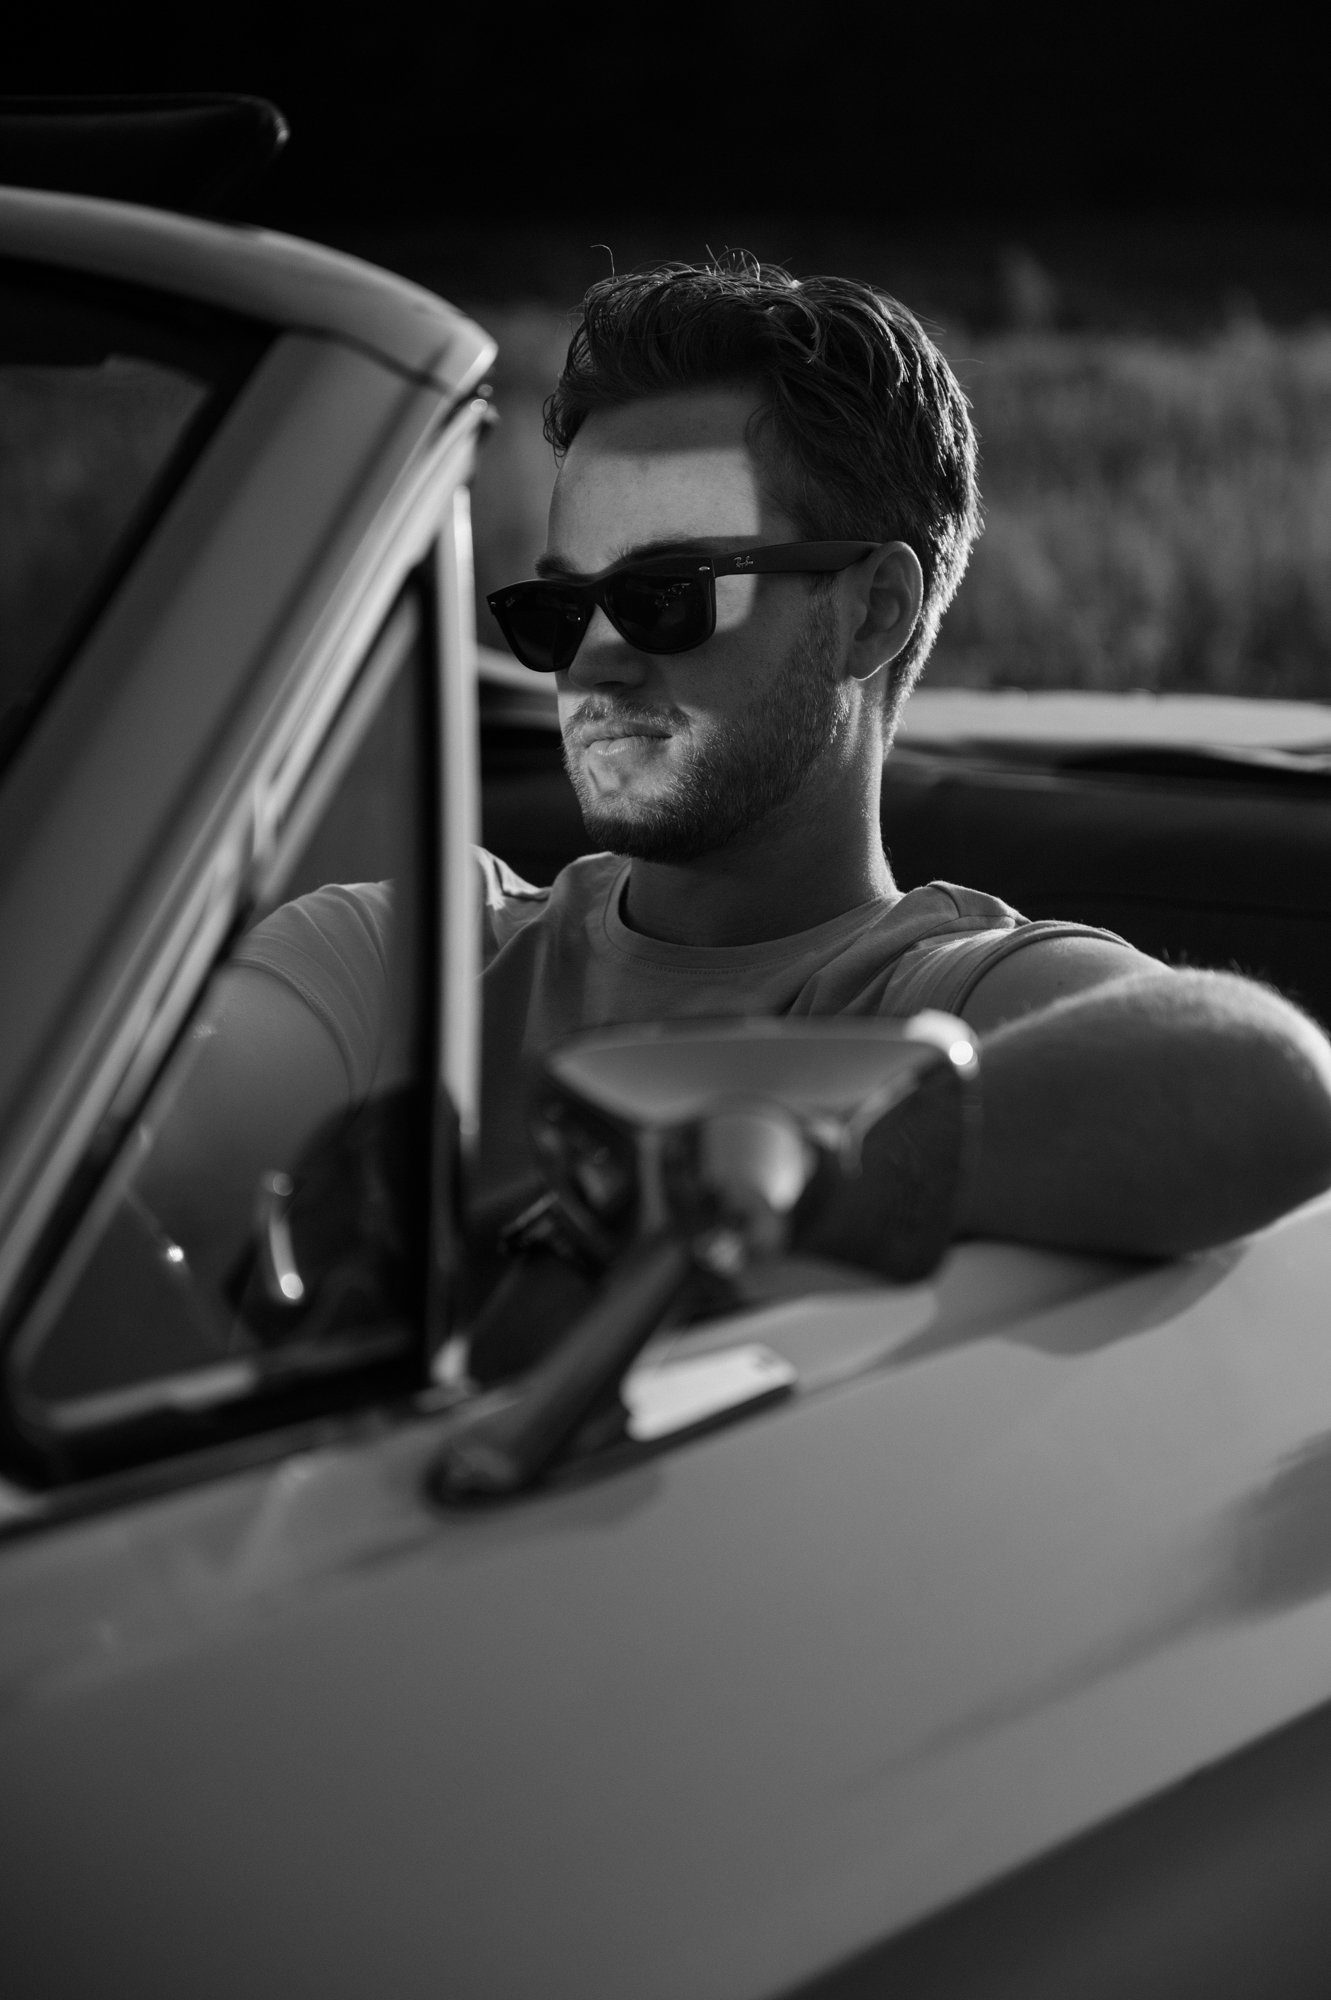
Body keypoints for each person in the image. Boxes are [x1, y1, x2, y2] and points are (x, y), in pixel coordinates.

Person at [161, 258, 1331, 1278]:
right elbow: (108, 1153)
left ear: (871, 611)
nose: (594, 662)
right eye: (556, 608)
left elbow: (1266, 1081)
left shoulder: (941, 991)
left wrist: (733, 1183)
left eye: (667, 596)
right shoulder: (402, 955)